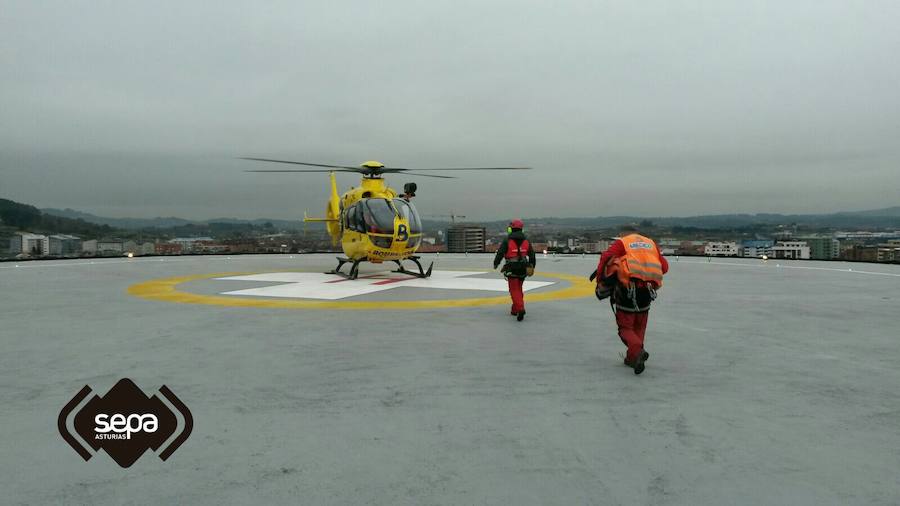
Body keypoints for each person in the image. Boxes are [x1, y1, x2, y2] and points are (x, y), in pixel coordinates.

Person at [594, 227, 668, 374]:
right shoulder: (651, 243)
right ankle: (632, 358)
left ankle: (638, 350)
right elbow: (664, 267)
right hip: (648, 290)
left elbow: (605, 257)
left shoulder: (623, 243)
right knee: (639, 326)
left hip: (627, 290)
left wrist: (600, 280)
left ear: (623, 234)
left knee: (625, 328)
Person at [493, 219, 536, 321]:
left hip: (511, 268)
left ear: (511, 229)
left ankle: (520, 308)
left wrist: (496, 263)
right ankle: (514, 309)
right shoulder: (526, 240)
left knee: (514, 290)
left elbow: (500, 253)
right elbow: (532, 255)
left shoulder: (507, 240)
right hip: (523, 268)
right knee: (519, 289)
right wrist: (532, 266)